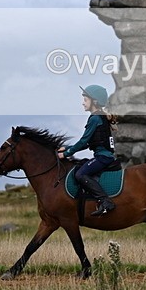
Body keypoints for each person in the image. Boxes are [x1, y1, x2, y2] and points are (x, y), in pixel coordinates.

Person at [57, 85, 118, 216]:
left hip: (103, 158)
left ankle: (105, 201)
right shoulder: (100, 117)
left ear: (94, 101)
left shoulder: (95, 118)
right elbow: (89, 142)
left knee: (80, 175)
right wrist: (67, 148)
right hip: (105, 156)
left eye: (85, 99)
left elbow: (83, 141)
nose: (83, 102)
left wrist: (66, 154)